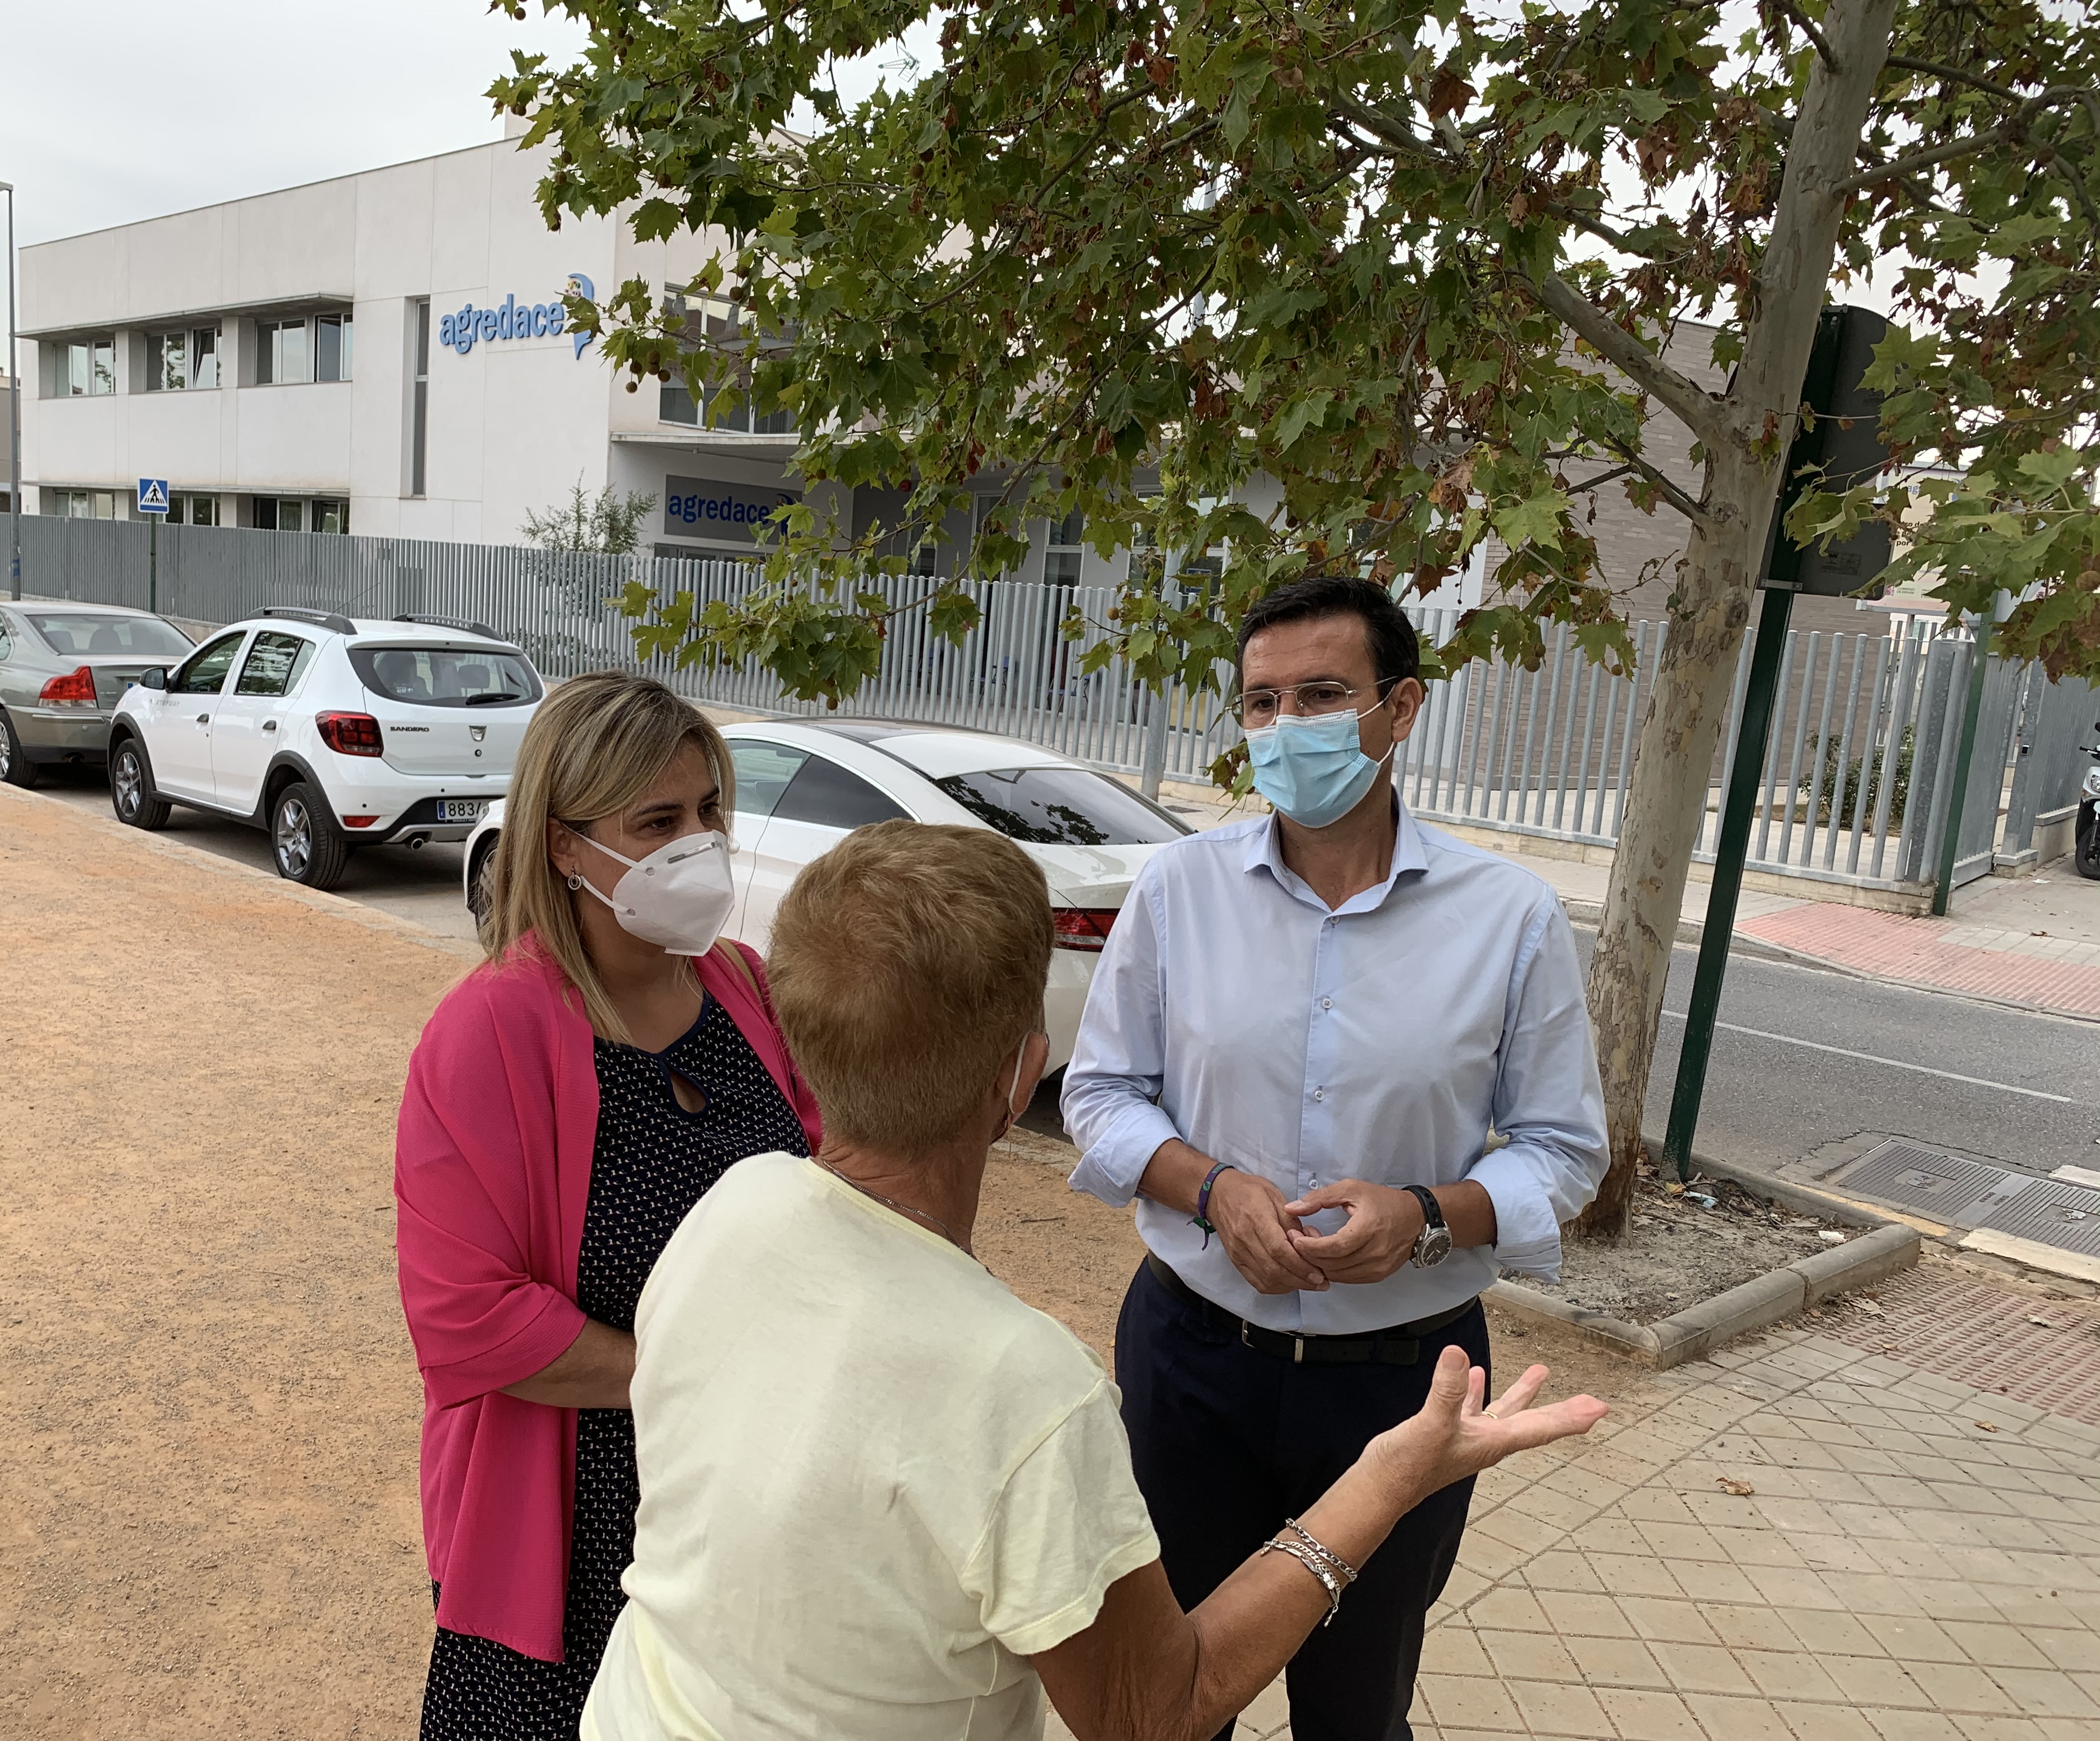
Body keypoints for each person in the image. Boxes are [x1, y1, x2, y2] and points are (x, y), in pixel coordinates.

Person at [580, 820, 1605, 1741]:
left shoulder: (726, 1209)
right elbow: (1152, 1714)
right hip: (1222, 1357)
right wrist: (1391, 1478)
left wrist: (1429, 1213)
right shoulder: (1023, 1391)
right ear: (1019, 1077)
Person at [1061, 575, 1613, 1740]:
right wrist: (1211, 1190)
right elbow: (1103, 1096)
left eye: (1322, 694)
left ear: (1400, 709)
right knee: (1167, 1700)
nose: (1286, 726)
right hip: (1192, 1364)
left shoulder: (1509, 916)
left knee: (1358, 1711)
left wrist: (1426, 1214)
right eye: (1261, 703)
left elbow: (1565, 1152)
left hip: (1403, 1384)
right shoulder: (1177, 889)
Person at [394, 671, 820, 1741]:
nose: (700, 844)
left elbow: (827, 1191)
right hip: (572, 1526)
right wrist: (698, 1382)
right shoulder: (489, 1031)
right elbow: (467, 1317)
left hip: (740, 1504)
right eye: (659, 822)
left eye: (709, 812)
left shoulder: (746, 987)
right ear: (563, 844)